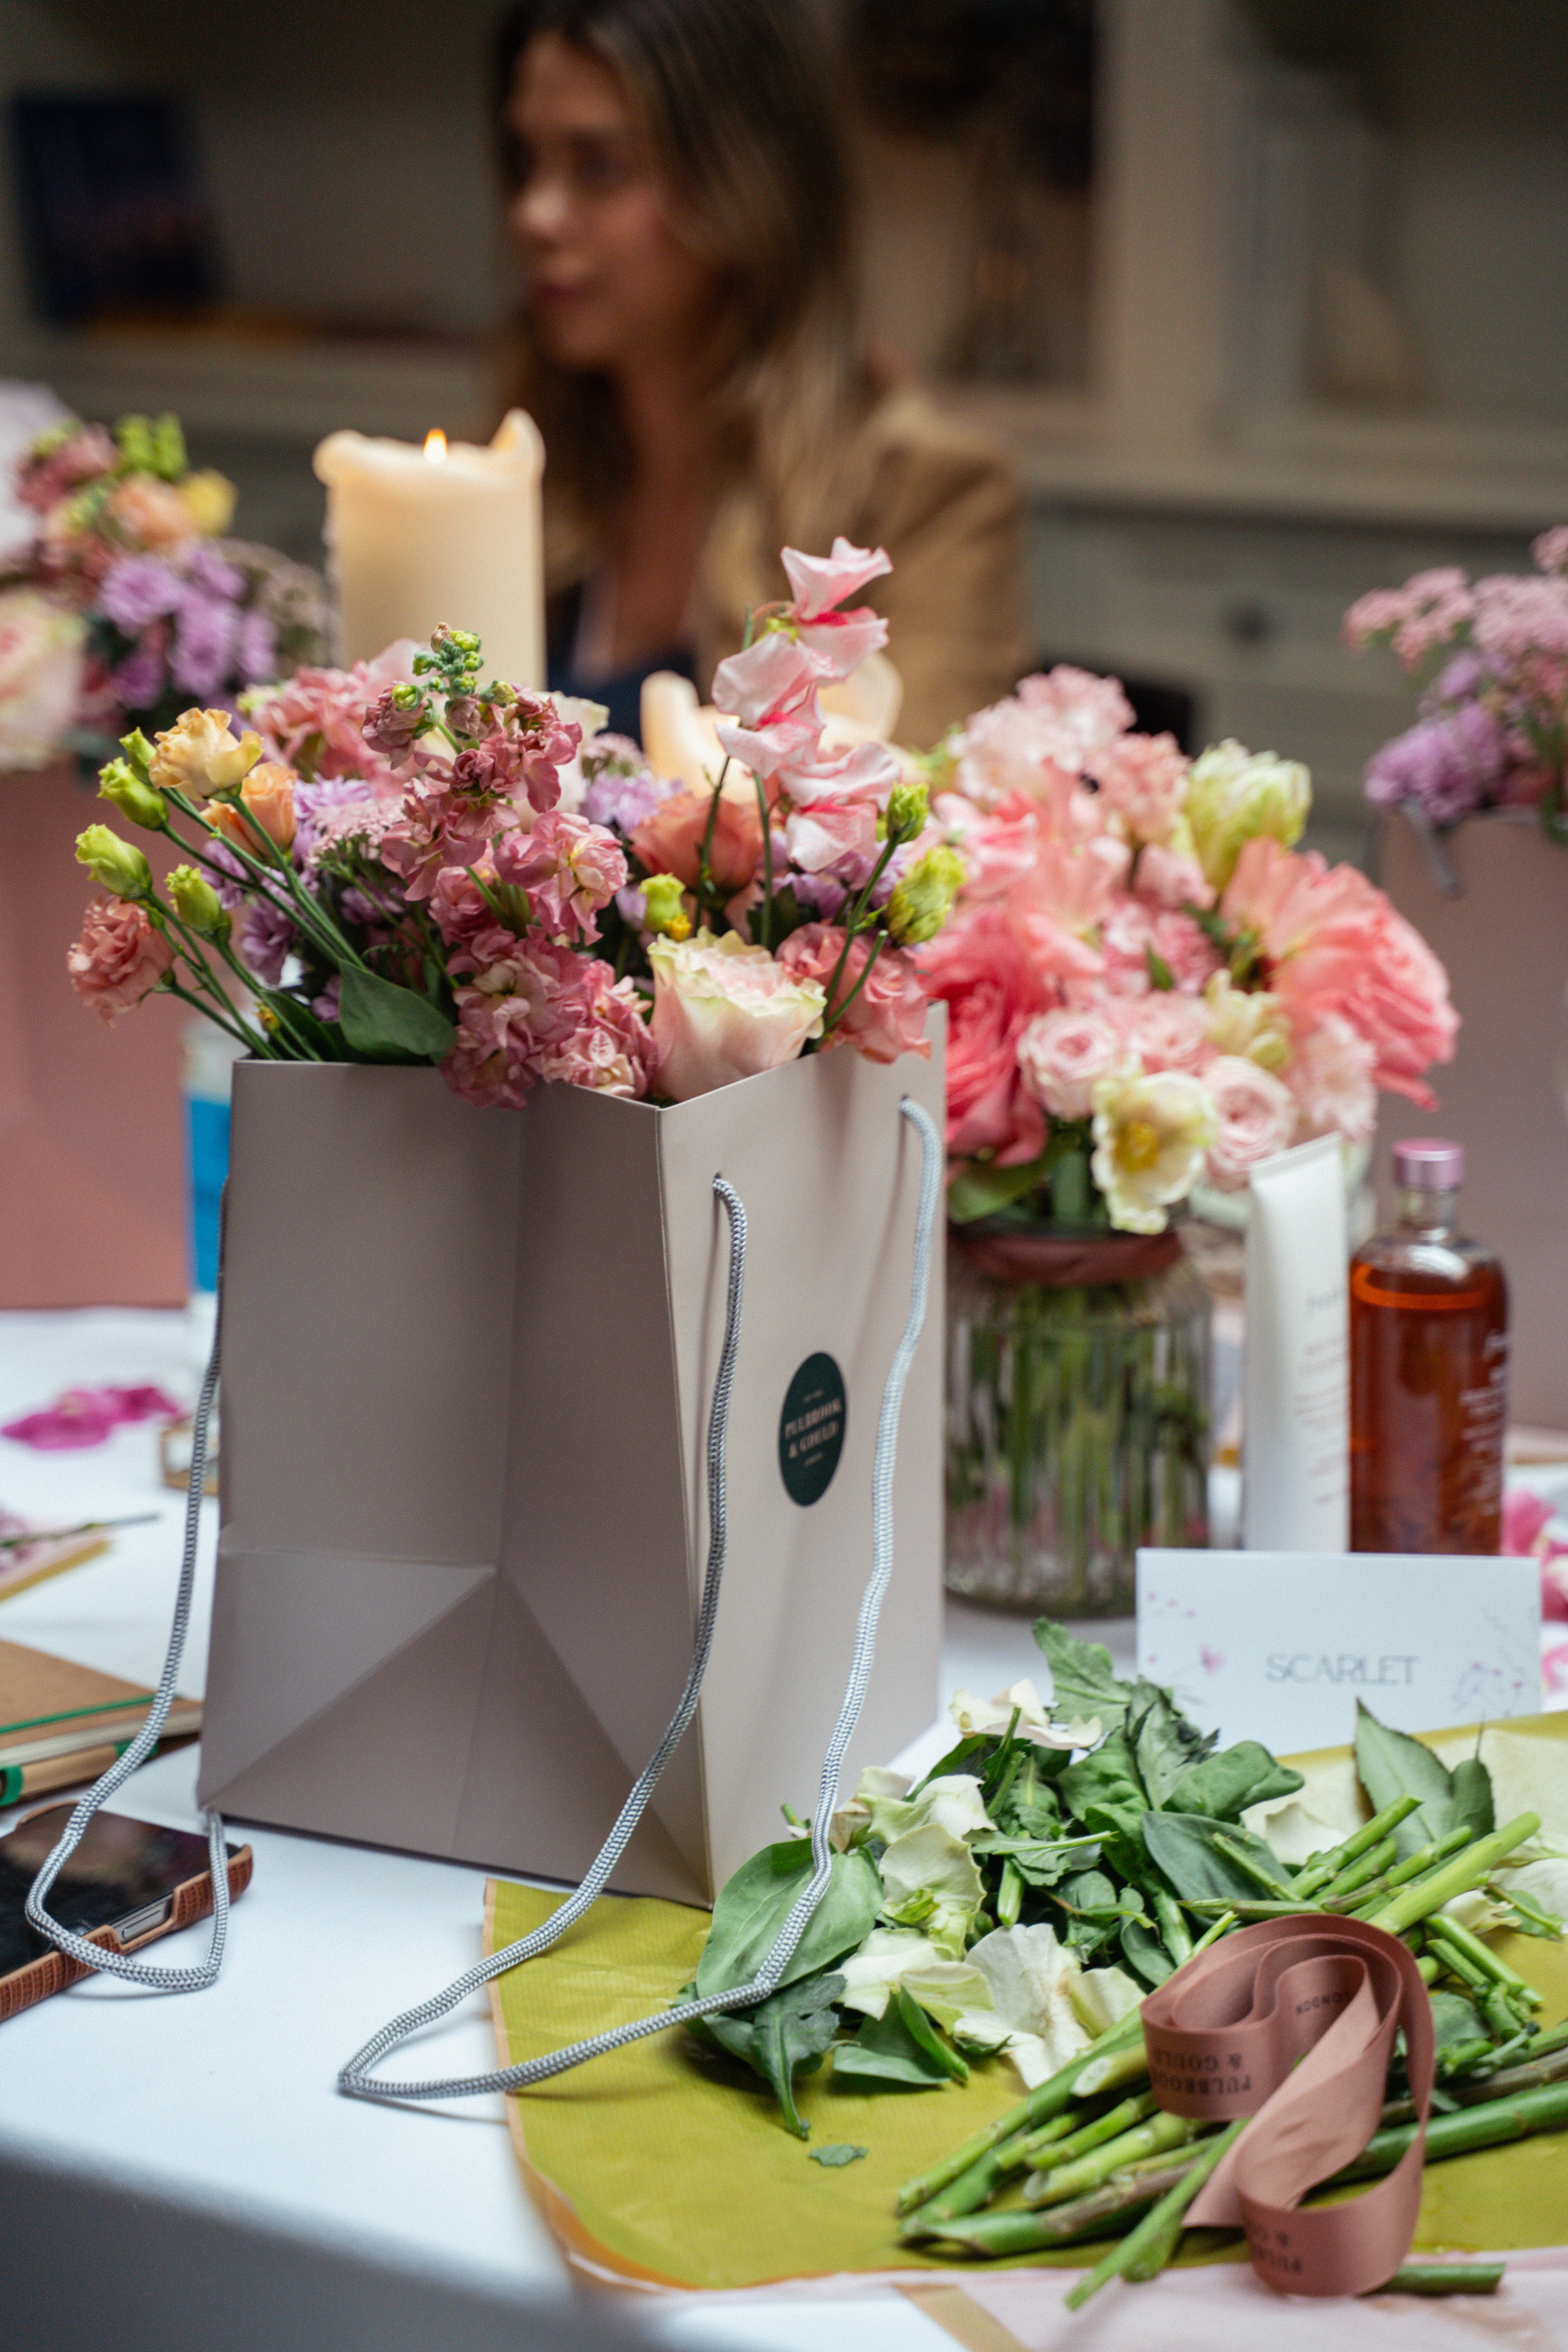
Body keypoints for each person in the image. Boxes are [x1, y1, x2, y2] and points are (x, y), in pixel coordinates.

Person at [492, 0, 1031, 748]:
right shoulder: (520, 463)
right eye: (528, 163)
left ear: (743, 187)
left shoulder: (923, 487)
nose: (534, 215)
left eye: (600, 168)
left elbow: (900, 830)